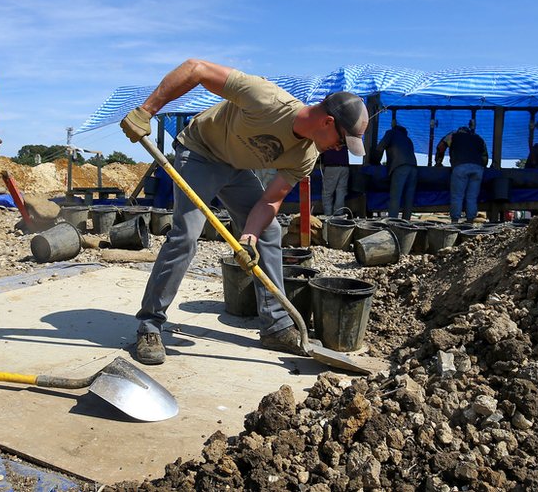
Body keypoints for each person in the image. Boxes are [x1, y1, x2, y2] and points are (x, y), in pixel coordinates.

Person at [119, 59, 368, 365]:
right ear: (327, 122)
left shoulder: (306, 155)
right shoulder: (266, 98)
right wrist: (147, 110)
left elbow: (270, 201)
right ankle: (150, 324)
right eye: (342, 142)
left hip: (235, 167)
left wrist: (248, 237)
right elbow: (196, 69)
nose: (339, 149)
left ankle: (276, 326)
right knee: (186, 236)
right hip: (200, 153)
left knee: (270, 231)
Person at [436, 124, 488, 223]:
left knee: (457, 196)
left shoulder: (453, 135)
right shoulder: (479, 138)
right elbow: (484, 156)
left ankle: (455, 222)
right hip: (477, 169)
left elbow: (440, 147)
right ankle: (470, 222)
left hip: (460, 167)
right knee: (472, 197)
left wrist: (438, 162)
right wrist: (482, 166)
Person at [372, 122, 417, 220]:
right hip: (413, 168)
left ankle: (392, 221)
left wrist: (375, 162)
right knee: (409, 197)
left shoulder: (391, 133)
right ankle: (406, 222)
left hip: (400, 167)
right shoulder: (408, 140)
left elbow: (380, 147)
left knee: (395, 196)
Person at [318, 146, 349, 216]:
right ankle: (338, 214)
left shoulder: (327, 137)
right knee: (341, 192)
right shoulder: (344, 137)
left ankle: (328, 215)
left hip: (331, 166)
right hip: (344, 166)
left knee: (327, 193)